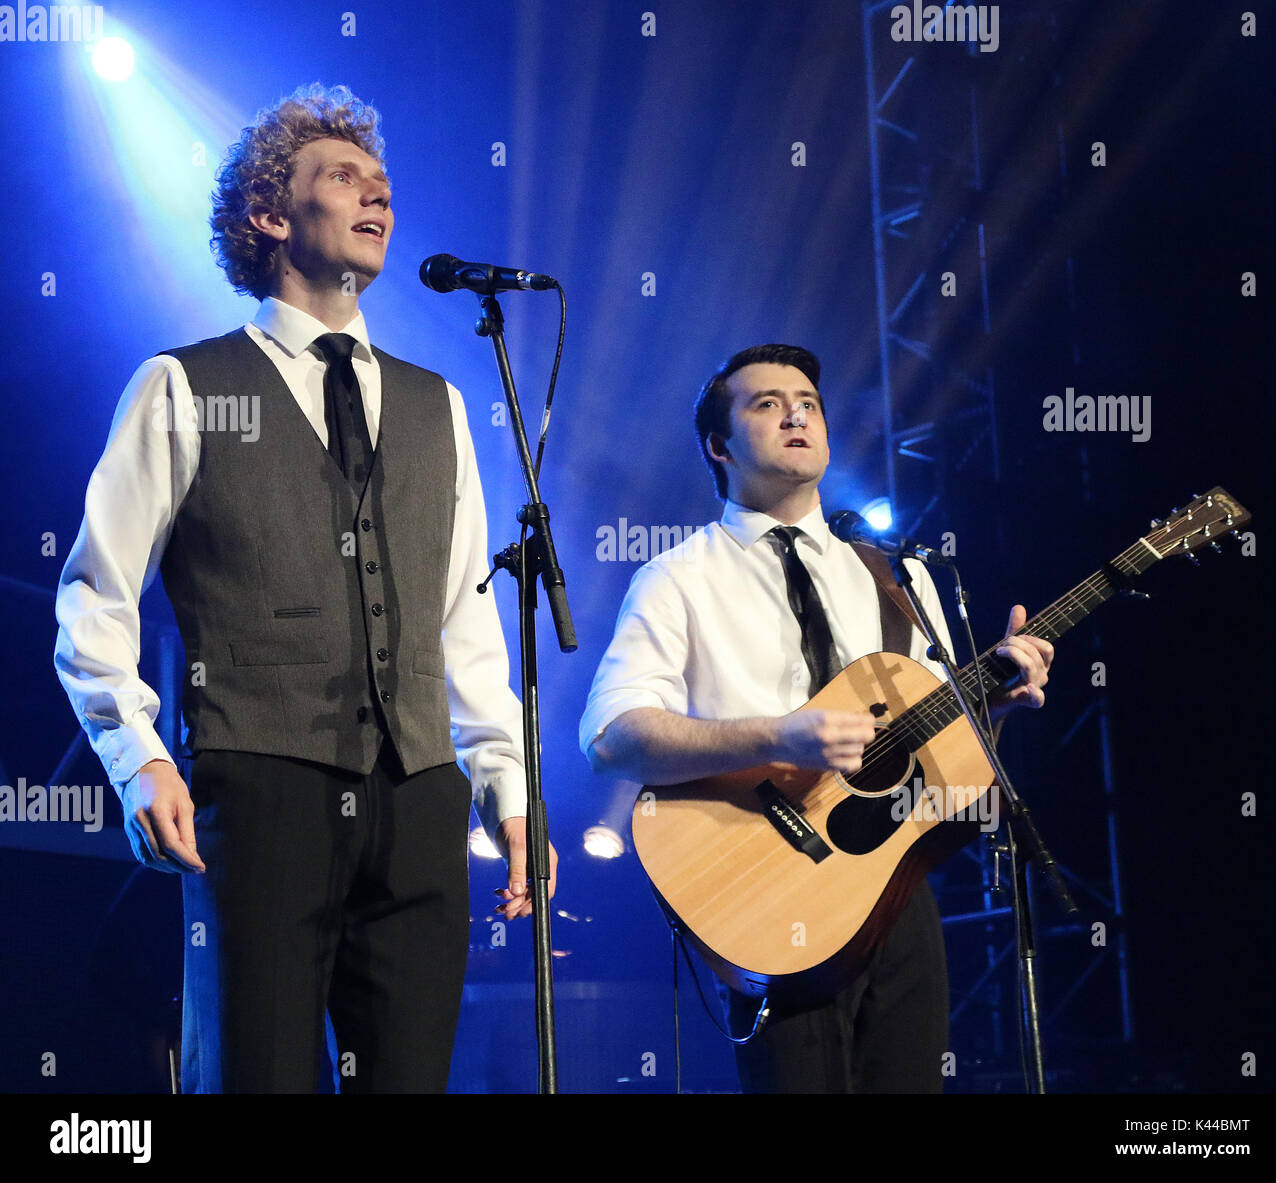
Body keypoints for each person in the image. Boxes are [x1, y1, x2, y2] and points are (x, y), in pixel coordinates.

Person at [54, 84, 555, 1093]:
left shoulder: (437, 403)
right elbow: (94, 596)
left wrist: (509, 781)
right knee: (257, 1076)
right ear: (271, 216)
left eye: (383, 182)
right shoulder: (184, 384)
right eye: (344, 176)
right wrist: (137, 755)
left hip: (418, 797)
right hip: (261, 785)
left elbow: (464, 614)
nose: (377, 195)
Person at [579, 343, 1051, 1093]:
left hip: (897, 897)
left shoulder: (899, 576)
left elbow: (947, 772)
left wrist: (994, 703)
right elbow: (611, 739)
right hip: (765, 896)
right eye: (767, 402)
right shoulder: (677, 576)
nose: (797, 411)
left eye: (809, 401)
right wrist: (779, 733)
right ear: (718, 444)